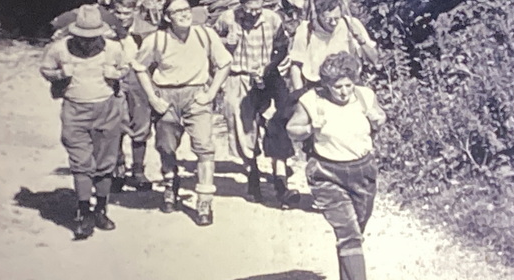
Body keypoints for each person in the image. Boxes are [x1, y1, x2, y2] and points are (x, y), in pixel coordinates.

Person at [286, 52, 385, 280]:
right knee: (348, 234)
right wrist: (309, 127)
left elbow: (380, 117)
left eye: (348, 85)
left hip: (363, 173)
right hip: (327, 174)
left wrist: (378, 118)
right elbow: (292, 129)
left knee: (356, 233)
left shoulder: (364, 96)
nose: (343, 91)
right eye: (337, 86)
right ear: (326, 84)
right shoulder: (312, 101)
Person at [132, 0, 232, 225]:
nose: (185, 15)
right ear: (167, 17)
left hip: (196, 96)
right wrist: (153, 98)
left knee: (205, 148)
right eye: (178, 12)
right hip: (166, 97)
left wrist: (211, 93)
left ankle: (204, 200)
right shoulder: (156, 40)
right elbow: (139, 67)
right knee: (166, 147)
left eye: (186, 10)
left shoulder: (205, 35)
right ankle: (170, 182)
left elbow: (225, 63)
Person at [41, 4, 129, 240]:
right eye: (82, 37)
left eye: (92, 37)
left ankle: (101, 210)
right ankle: (83, 213)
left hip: (106, 110)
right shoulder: (60, 49)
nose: (87, 43)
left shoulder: (113, 48)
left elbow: (125, 67)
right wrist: (60, 74)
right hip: (75, 110)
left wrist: (116, 74)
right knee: (81, 163)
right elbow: (46, 69)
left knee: (105, 163)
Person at [214, 0, 300, 207]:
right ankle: (252, 174)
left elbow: (282, 48)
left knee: (276, 123)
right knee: (243, 126)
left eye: (258, 8)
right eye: (249, 9)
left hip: (267, 75)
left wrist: (269, 67)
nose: (254, 13)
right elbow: (211, 43)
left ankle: (281, 182)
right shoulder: (227, 18)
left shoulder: (272, 19)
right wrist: (226, 41)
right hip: (238, 76)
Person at [109, 0, 158, 192]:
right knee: (114, 124)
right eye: (118, 13)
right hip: (114, 80)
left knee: (141, 125)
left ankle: (138, 171)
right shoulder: (106, 30)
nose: (122, 17)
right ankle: (117, 169)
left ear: (135, 11)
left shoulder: (148, 32)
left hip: (139, 81)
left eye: (126, 13)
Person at [289, 0, 377, 91]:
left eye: (337, 18)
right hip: (318, 86)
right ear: (318, 14)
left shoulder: (350, 24)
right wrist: (299, 93)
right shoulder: (306, 30)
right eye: (328, 19)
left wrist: (360, 39)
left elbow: (374, 60)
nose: (333, 23)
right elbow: (296, 66)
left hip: (348, 84)